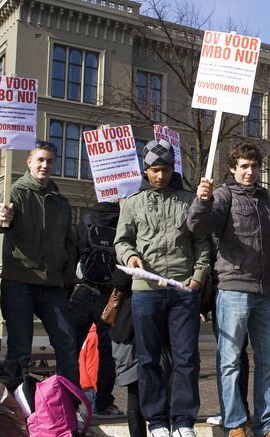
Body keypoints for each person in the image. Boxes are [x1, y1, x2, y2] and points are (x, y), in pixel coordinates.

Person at [187, 143, 270, 437]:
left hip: (264, 293)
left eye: (254, 166)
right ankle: (235, 424)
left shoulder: (268, 201)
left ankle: (268, 423)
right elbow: (197, 226)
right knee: (230, 360)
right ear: (233, 168)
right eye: (244, 166)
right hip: (233, 290)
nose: (250, 172)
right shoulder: (222, 196)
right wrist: (202, 200)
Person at [115, 139, 211, 437]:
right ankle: (156, 421)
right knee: (149, 359)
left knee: (186, 359)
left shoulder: (188, 200)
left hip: (183, 290)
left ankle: (183, 420)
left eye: (166, 169)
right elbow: (122, 241)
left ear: (173, 169)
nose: (160, 176)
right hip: (146, 291)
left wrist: (198, 276)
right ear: (146, 170)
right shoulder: (132, 203)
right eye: (155, 170)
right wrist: (130, 256)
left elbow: (202, 242)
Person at [0, 142, 79, 384]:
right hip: (19, 282)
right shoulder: (15, 193)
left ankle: (69, 402)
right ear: (29, 162)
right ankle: (15, 407)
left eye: (49, 161)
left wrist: (66, 275)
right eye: (40, 160)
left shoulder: (61, 202)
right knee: (20, 350)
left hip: (52, 285)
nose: (44, 165)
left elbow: (70, 242)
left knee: (67, 343)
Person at [69, 201, 129, 419]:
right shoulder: (123, 224)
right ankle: (103, 403)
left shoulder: (84, 224)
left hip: (82, 292)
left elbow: (70, 257)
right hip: (109, 296)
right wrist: (120, 287)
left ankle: (70, 403)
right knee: (107, 352)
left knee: (71, 349)